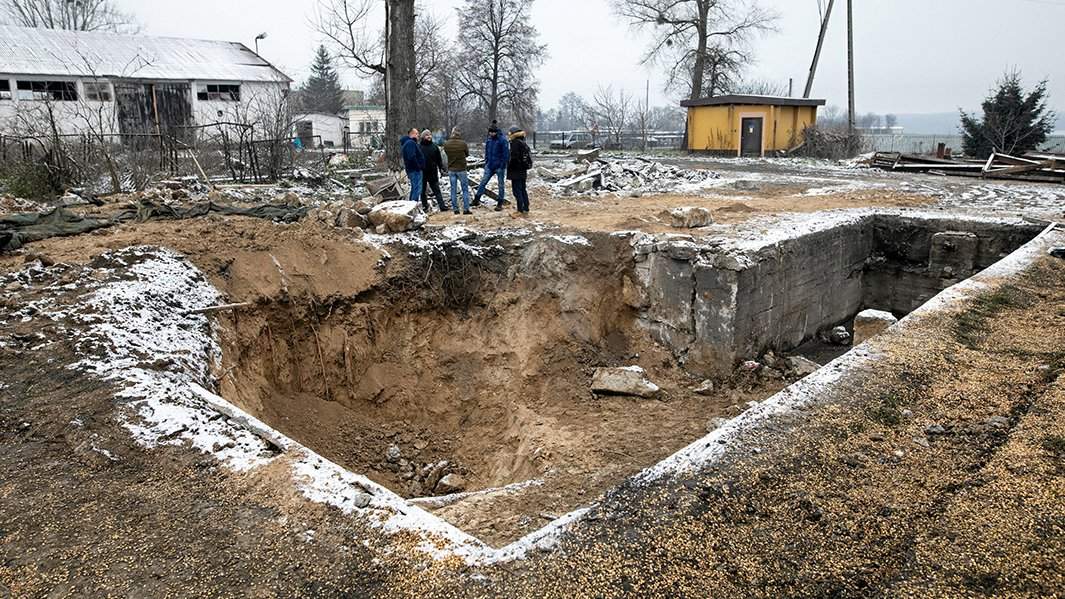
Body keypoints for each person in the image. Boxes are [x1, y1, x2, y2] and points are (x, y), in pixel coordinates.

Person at [472, 121, 509, 211]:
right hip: (490, 166)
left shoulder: (502, 140)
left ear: (496, 132)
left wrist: (502, 165)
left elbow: (506, 154)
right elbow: (487, 152)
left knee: (501, 185)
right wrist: (487, 161)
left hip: (499, 167)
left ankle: (500, 203)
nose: (491, 133)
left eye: (493, 132)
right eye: (490, 132)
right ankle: (476, 199)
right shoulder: (489, 140)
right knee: (483, 182)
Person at [442, 127, 472, 214]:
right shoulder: (463, 144)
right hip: (461, 169)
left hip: (451, 169)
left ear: (452, 133)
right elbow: (467, 154)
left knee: (453, 190)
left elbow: (446, 153)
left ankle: (455, 209)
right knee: (465, 189)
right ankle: (466, 209)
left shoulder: (447, 144)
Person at [419, 129, 448, 212]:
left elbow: (439, 159)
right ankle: (425, 206)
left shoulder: (434, 146)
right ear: (423, 137)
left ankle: (442, 206)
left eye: (430, 135)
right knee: (422, 191)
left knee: (436, 190)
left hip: (432, 172)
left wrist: (441, 168)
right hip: (423, 172)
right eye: (427, 135)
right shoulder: (419, 147)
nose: (429, 136)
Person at [507, 126, 533, 214]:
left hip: (516, 170)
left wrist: (509, 165)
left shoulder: (514, 143)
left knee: (516, 190)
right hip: (523, 170)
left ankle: (520, 209)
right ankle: (526, 207)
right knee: (522, 189)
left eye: (509, 133)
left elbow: (514, 157)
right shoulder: (523, 142)